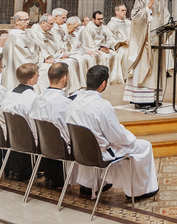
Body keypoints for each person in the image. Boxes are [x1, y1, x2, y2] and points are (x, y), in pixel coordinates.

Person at [67, 65, 159, 200]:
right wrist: (130, 138)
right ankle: (141, 191)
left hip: (80, 151)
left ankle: (89, 184)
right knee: (144, 146)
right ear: (103, 84)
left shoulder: (73, 102)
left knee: (98, 142)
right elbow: (117, 136)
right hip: (100, 154)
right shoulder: (102, 105)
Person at [126, 0, 170, 109]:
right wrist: (148, 8)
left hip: (157, 40)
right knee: (144, 69)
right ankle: (141, 100)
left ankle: (153, 98)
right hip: (145, 41)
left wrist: (169, 25)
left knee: (156, 70)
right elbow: (134, 18)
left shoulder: (161, 0)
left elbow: (165, 16)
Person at [28, 61, 71, 190]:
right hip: (61, 149)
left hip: (43, 146)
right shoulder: (64, 103)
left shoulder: (36, 100)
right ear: (64, 78)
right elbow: (70, 131)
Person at [3, 11, 42, 90]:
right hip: (19, 67)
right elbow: (24, 56)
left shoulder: (25, 33)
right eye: (25, 20)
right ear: (17, 21)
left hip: (34, 60)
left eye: (28, 19)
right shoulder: (15, 36)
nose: (28, 22)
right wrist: (41, 61)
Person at [104, 4, 131, 83]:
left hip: (131, 45)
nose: (124, 12)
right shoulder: (112, 24)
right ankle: (127, 76)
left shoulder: (129, 23)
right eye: (122, 10)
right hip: (120, 47)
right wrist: (122, 43)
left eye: (125, 10)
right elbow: (110, 39)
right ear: (117, 12)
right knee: (126, 53)